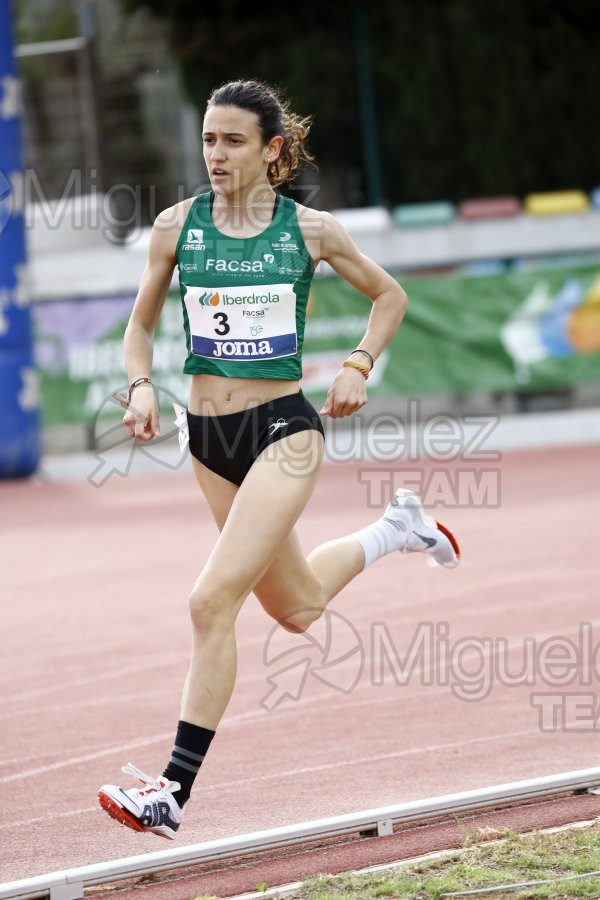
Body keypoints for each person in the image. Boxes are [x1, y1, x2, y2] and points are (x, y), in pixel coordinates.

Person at [98, 79, 461, 840]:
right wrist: (139, 385)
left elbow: (388, 295)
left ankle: (171, 791)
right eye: (207, 139)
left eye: (233, 141)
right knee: (295, 608)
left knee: (209, 603)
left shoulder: (313, 230)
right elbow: (138, 327)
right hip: (207, 439)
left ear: (273, 150)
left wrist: (359, 364)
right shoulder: (176, 227)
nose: (216, 154)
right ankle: (398, 529)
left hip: (283, 430)